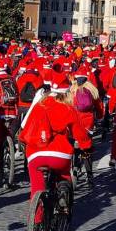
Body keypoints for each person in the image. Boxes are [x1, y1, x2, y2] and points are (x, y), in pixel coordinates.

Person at [20, 70, 91, 205]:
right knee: (64, 174)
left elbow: (26, 130)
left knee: (36, 188)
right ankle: (63, 193)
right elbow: (80, 133)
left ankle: (36, 219)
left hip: (35, 154)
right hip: (59, 154)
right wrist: (87, 147)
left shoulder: (39, 106)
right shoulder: (68, 108)